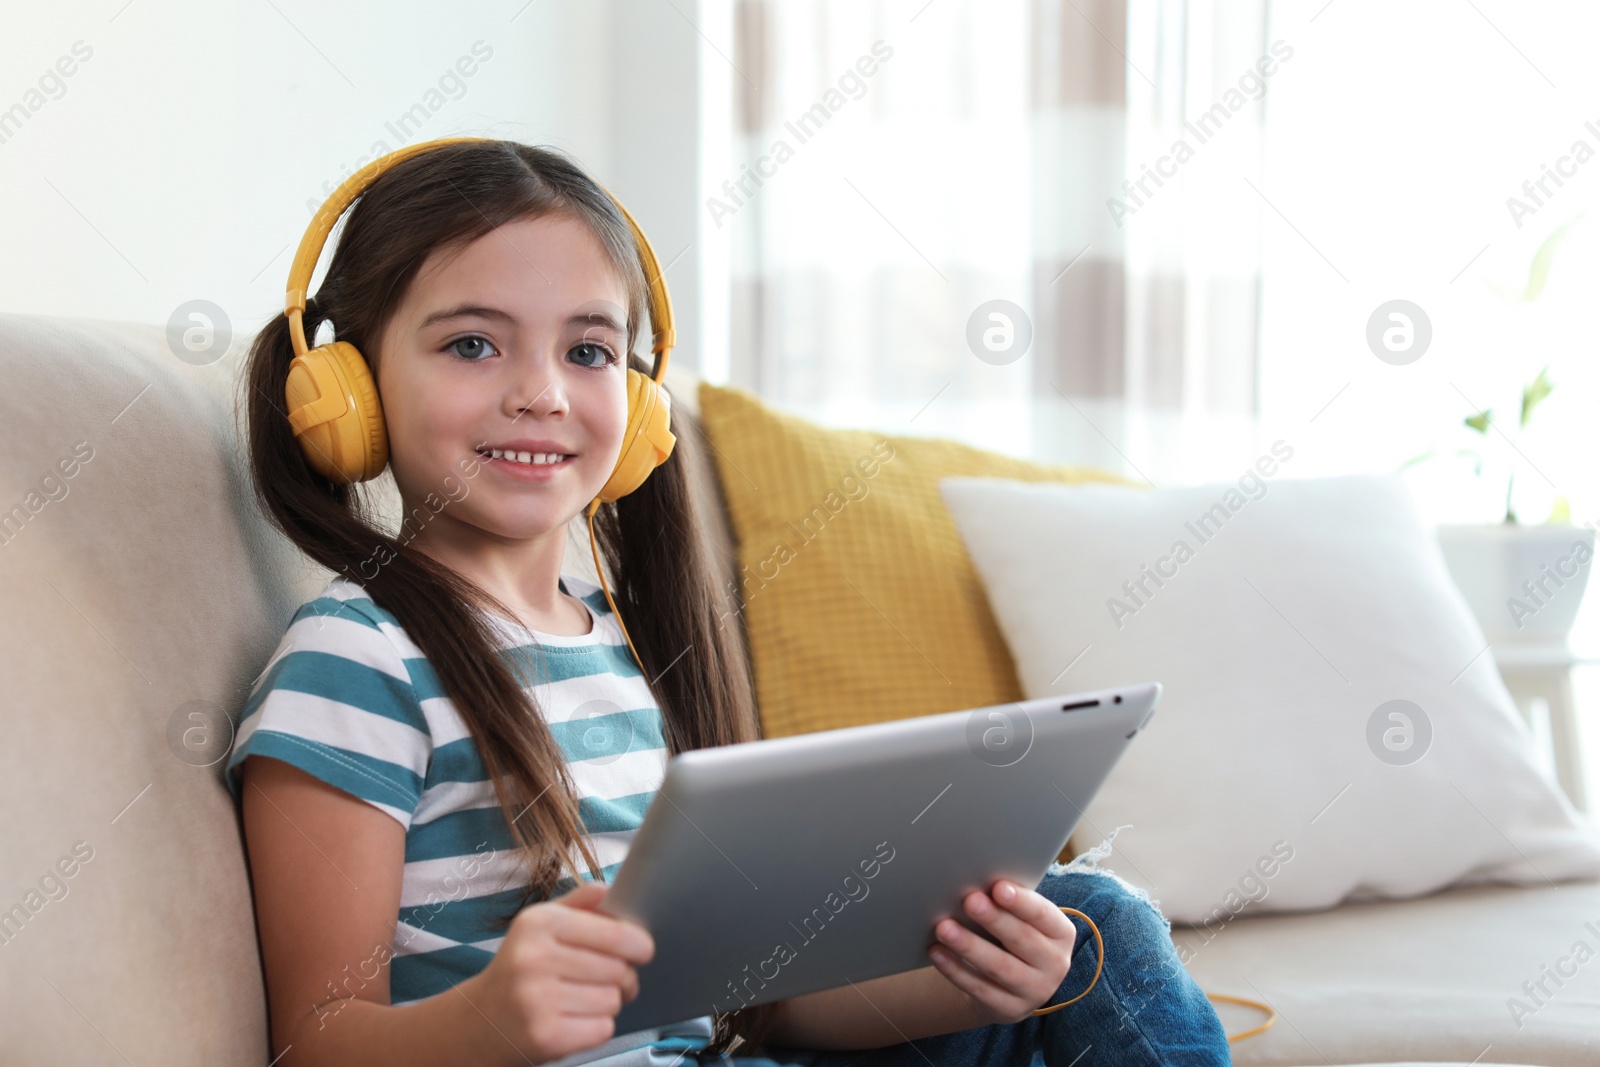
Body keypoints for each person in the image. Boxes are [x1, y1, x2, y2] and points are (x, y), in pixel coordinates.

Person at [225, 137, 1232, 1067]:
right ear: (345, 387)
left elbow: (755, 1006)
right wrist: (493, 1016)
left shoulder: (623, 642)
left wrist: (970, 985)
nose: (541, 392)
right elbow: (313, 1043)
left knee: (1090, 926)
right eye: (473, 345)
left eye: (587, 351)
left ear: (640, 405)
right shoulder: (355, 660)